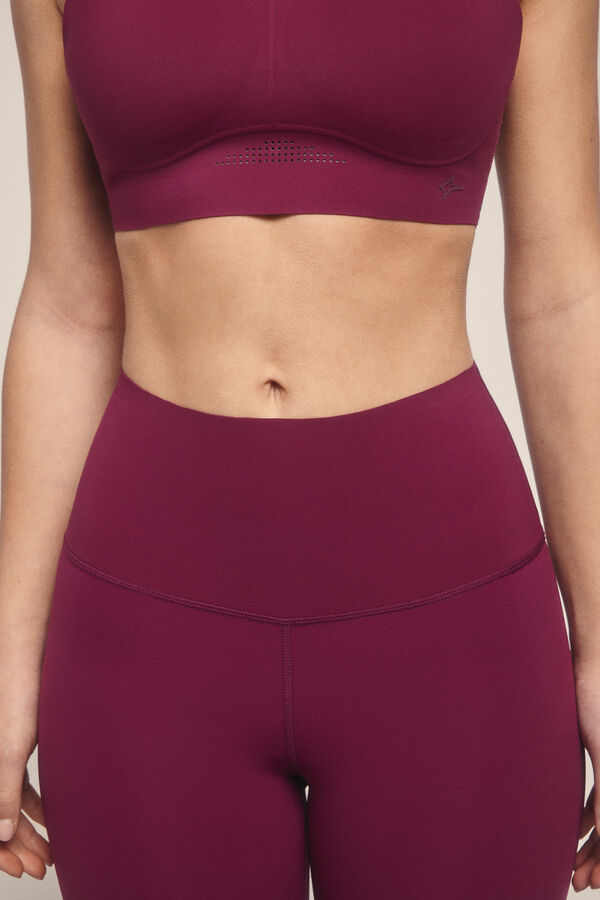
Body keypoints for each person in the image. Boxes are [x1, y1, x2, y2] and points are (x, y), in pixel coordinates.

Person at [3, 0, 600, 896]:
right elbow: (68, 303)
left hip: (449, 602)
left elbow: (564, 292)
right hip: (148, 610)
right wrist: (8, 662)